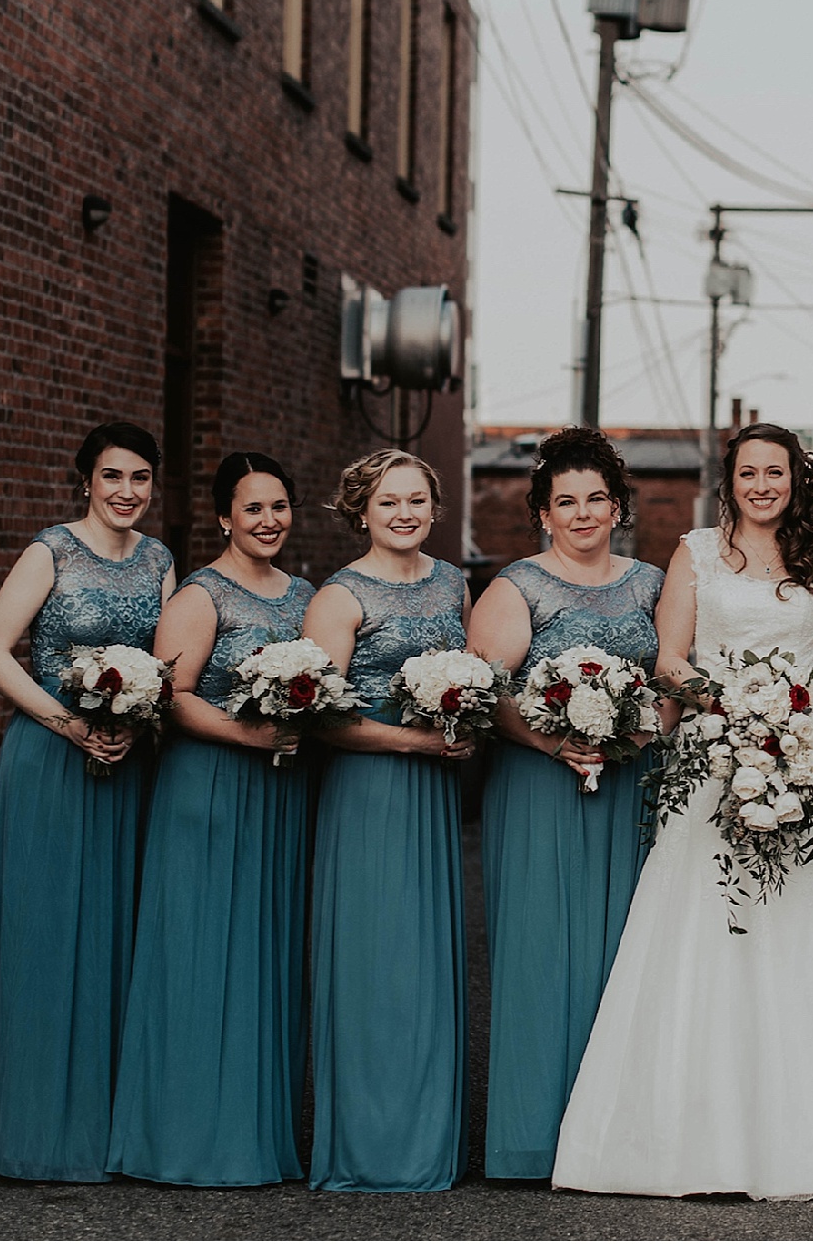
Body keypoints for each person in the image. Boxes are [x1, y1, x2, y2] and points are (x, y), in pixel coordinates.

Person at [553, 422, 813, 1199]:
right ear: (731, 480)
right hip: (714, 763)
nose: (763, 485)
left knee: (812, 938)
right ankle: (700, 1137)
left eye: (776, 472)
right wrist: (726, 708)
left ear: (797, 479)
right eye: (749, 472)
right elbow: (670, 659)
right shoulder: (693, 555)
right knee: (710, 936)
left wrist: (801, 714)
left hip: (809, 759)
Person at [0, 422, 175, 1182]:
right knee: (46, 931)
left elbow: (168, 667)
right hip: (50, 758)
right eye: (113, 477)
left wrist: (135, 724)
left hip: (127, 762)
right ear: (86, 480)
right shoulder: (51, 551)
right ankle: (34, 1126)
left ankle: (108, 1125)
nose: (126, 492)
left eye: (141, 478)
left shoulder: (160, 562)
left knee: (118, 930)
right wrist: (70, 725)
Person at [107, 452, 316, 1186]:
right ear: (225, 517)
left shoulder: (307, 595)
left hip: (284, 797)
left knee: (266, 957)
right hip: (211, 789)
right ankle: (183, 1141)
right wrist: (248, 734)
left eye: (279, 506)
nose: (268, 521)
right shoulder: (201, 595)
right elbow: (174, 693)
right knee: (201, 955)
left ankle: (255, 1134)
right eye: (252, 509)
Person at [469, 428, 663, 1181]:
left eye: (596, 500)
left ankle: (615, 1140)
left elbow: (675, 675)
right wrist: (559, 744)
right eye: (566, 503)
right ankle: (531, 1139)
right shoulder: (519, 586)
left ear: (617, 508)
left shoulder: (651, 583)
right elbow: (486, 692)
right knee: (540, 951)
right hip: (538, 786)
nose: (583, 514)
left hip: (630, 785)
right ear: (543, 514)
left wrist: (634, 731)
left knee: (625, 953)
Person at [302, 449, 474, 1192]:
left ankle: (425, 1145)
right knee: (373, 961)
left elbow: (469, 681)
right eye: (387, 501)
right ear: (361, 511)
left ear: (434, 508)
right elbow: (316, 716)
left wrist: (461, 727)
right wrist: (416, 741)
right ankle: (367, 1147)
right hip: (367, 791)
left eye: (416, 500)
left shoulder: (454, 584)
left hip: (431, 798)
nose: (404, 512)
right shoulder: (339, 598)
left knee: (427, 964)